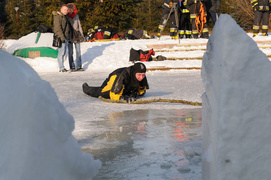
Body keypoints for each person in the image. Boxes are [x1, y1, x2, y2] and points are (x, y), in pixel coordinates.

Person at [82, 62, 149, 103]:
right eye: (139, 75)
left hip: (125, 85)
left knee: (130, 92)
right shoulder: (122, 76)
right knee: (101, 92)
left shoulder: (140, 74)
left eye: (143, 75)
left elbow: (142, 90)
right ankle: (86, 88)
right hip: (114, 80)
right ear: (134, 72)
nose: (141, 77)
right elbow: (113, 94)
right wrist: (123, 98)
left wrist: (135, 94)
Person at [52, 4, 72, 72]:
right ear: (61, 10)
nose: (66, 11)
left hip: (65, 38)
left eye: (67, 10)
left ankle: (62, 66)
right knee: (61, 53)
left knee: (63, 53)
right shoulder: (58, 17)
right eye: (64, 10)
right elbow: (57, 28)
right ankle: (61, 68)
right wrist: (62, 38)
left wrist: (67, 38)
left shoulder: (64, 17)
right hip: (61, 38)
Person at [66, 3, 84, 71]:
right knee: (70, 52)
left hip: (77, 35)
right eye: (69, 9)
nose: (70, 11)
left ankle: (79, 66)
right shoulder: (66, 17)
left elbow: (79, 25)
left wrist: (81, 34)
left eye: (71, 9)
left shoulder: (76, 16)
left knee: (78, 51)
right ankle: (72, 66)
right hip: (70, 35)